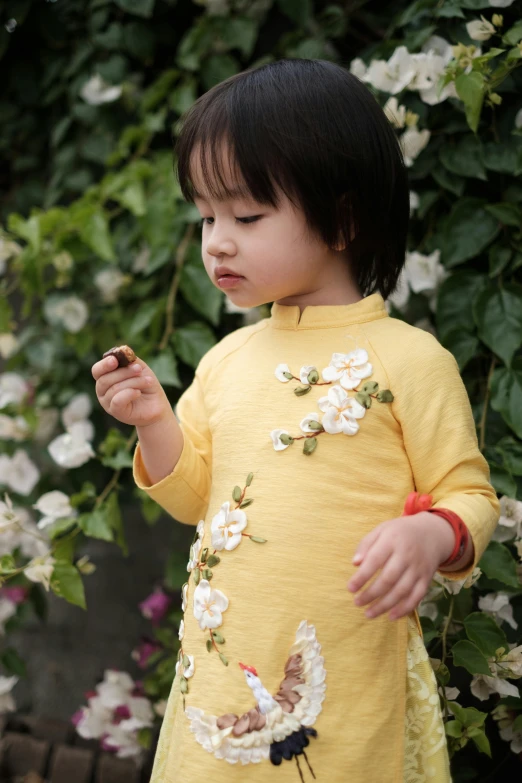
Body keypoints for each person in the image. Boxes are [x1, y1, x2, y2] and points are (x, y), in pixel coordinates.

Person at [91, 59, 500, 783]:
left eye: (246, 216)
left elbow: (470, 494)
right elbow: (192, 498)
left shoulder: (409, 360)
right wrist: (155, 421)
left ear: (342, 218)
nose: (217, 240)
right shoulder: (226, 358)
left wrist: (432, 531)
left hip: (349, 669)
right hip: (224, 664)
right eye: (208, 215)